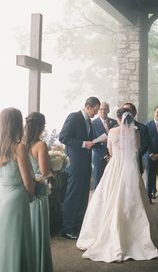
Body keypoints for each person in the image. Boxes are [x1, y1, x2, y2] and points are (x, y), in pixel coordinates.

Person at [76, 107, 158, 262]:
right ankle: (137, 237)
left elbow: (111, 151)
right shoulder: (135, 132)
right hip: (130, 167)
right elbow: (136, 150)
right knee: (134, 198)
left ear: (119, 118)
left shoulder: (113, 132)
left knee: (107, 196)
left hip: (115, 166)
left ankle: (104, 235)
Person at [59, 96, 101, 240]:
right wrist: (84, 144)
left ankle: (78, 228)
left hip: (86, 163)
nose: (95, 114)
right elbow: (63, 137)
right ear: (88, 106)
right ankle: (67, 229)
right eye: (95, 111)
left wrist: (95, 143)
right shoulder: (74, 117)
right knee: (72, 196)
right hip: (75, 164)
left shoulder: (89, 121)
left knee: (83, 196)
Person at [0, 107, 35, 272]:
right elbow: (27, 181)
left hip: (3, 196)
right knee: (18, 240)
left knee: (5, 240)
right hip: (17, 199)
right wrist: (33, 193)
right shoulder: (18, 147)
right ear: (17, 124)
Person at [24, 112, 53, 272]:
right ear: (41, 126)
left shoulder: (21, 143)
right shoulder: (40, 145)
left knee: (28, 230)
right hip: (39, 193)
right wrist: (55, 167)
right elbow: (44, 171)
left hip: (25, 193)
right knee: (39, 231)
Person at [92, 101, 117, 188]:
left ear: (108, 110)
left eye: (105, 109)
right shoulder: (93, 124)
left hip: (113, 157)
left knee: (111, 182)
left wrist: (112, 155)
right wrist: (105, 156)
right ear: (98, 110)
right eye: (101, 109)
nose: (103, 111)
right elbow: (93, 143)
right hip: (99, 158)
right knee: (99, 183)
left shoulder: (114, 122)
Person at [123, 102, 150, 175]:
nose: (126, 114)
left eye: (128, 111)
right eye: (124, 111)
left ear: (134, 113)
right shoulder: (116, 128)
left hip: (136, 162)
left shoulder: (142, 128)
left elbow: (145, 145)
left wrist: (134, 154)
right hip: (121, 165)